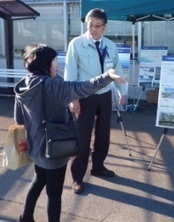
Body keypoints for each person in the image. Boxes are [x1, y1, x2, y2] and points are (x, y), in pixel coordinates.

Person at [14, 43, 125, 222]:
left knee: (38, 180)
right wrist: (107, 76)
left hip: (36, 146)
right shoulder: (53, 85)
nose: (57, 63)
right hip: (55, 146)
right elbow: (82, 88)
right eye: (55, 60)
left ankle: (26, 217)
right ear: (46, 63)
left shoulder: (24, 84)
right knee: (54, 193)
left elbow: (19, 120)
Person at [64, 8, 127, 194]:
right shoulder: (76, 44)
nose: (93, 29)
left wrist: (122, 92)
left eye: (97, 26)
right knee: (82, 137)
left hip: (105, 94)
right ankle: (77, 177)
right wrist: (72, 97)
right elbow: (70, 72)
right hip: (84, 95)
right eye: (90, 25)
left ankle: (98, 166)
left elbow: (117, 70)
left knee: (103, 134)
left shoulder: (110, 45)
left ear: (105, 27)